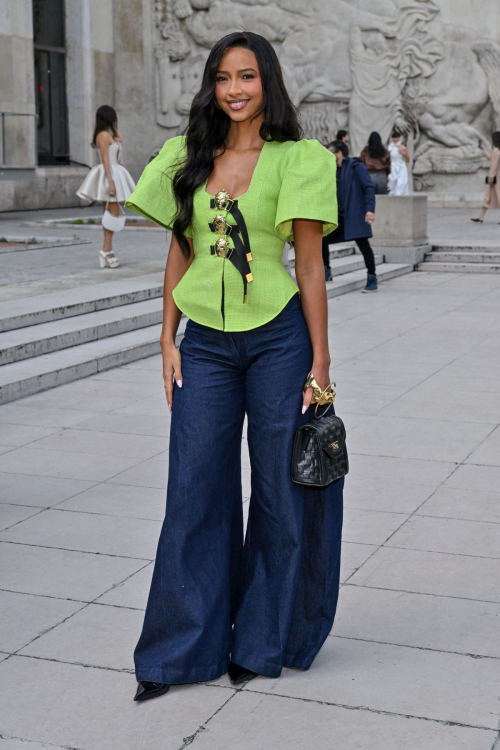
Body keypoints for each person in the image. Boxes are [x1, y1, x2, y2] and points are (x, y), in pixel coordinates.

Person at [125, 31, 343, 701]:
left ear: (266, 82)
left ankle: (259, 640)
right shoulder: (185, 157)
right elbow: (179, 252)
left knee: (278, 493)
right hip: (206, 348)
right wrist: (167, 338)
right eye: (223, 77)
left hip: (277, 341)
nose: (235, 89)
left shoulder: (298, 159)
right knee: (193, 489)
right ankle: (178, 650)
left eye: (246, 75)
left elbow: (308, 266)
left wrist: (320, 363)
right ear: (212, 87)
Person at [76, 105, 135, 268]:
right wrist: (110, 181)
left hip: (113, 172)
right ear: (108, 118)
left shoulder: (107, 133)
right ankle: (106, 249)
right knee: (112, 214)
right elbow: (104, 159)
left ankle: (108, 249)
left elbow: (119, 139)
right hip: (110, 174)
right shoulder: (102, 135)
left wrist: (113, 128)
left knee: (110, 213)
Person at [322, 141, 378, 293]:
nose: (328, 155)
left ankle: (372, 277)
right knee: (322, 238)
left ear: (339, 153)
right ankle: (326, 270)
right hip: (339, 218)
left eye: (330, 152)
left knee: (363, 245)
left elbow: (368, 187)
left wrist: (370, 210)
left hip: (354, 215)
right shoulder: (333, 170)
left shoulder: (356, 167)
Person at [471, 131, 500, 223]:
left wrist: (491, 178)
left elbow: (494, 165)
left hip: (497, 177)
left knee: (498, 197)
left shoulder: (496, 150)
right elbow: (493, 159)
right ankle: (481, 216)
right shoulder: (498, 150)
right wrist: (484, 151)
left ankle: (481, 216)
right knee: (487, 197)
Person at [388, 129, 410, 195]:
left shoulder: (403, 147)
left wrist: (404, 154)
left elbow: (408, 160)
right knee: (392, 182)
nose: (395, 139)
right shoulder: (390, 147)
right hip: (392, 166)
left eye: (396, 137)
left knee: (402, 182)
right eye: (393, 137)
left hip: (401, 166)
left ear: (399, 138)